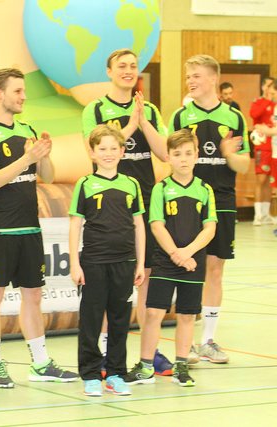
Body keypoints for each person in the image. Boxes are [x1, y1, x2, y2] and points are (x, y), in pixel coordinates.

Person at [0, 68, 78, 388]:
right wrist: (26, 158)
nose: (24, 97)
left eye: (23, 91)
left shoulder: (27, 129)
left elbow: (47, 176)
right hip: (0, 231)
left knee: (33, 296)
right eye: (17, 91)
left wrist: (43, 155)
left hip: (30, 229)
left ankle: (40, 362)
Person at [81, 48, 171, 376]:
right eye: (122, 66)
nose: (128, 70)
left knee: (145, 280)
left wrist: (143, 121)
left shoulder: (149, 109)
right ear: (109, 71)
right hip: (108, 205)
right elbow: (93, 153)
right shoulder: (95, 109)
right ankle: (108, 355)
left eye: (133, 66)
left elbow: (165, 154)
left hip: (143, 200)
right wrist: (130, 126)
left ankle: (149, 355)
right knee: (110, 285)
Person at [168, 54, 250, 364]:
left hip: (223, 202)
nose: (191, 81)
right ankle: (186, 343)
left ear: (213, 79)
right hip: (188, 203)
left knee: (215, 270)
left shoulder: (234, 117)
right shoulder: (181, 117)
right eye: (189, 76)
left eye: (197, 76)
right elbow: (171, 160)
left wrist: (229, 153)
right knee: (188, 268)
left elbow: (244, 165)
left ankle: (208, 341)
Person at [124, 130, 217, 388]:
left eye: (188, 153)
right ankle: (146, 366)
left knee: (187, 315)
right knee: (154, 312)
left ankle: (181, 365)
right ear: (168, 157)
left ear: (197, 155)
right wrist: (176, 253)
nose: (183, 159)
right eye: (177, 154)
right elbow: (156, 225)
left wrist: (188, 252)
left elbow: (210, 228)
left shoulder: (205, 190)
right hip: (165, 261)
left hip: (193, 262)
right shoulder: (161, 189)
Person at [69, 124, 145, 397]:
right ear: (92, 153)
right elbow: (75, 225)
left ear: (122, 151)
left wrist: (140, 263)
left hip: (124, 262)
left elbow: (139, 225)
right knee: (91, 320)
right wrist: (75, 263)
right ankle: (91, 374)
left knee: (120, 320)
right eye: (102, 149)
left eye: (114, 148)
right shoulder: (85, 184)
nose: (108, 153)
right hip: (94, 262)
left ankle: (115, 373)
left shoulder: (131, 184)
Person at [249, 77, 275, 225]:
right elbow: (254, 115)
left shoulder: (275, 104)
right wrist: (266, 99)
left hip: (274, 147)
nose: (271, 89)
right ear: (264, 87)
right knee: (261, 179)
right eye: (268, 85)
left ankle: (266, 214)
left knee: (270, 181)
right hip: (262, 147)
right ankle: (257, 215)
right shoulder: (258, 101)